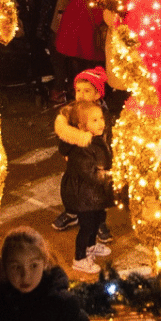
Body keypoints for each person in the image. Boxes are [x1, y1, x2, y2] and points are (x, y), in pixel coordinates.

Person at [56, 100, 114, 274]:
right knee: (87, 226)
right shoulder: (82, 147)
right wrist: (110, 177)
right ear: (82, 126)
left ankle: (91, 246)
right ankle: (79, 258)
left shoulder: (96, 139)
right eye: (94, 120)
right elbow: (89, 173)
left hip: (94, 195)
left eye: (101, 118)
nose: (101, 123)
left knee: (97, 220)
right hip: (84, 195)